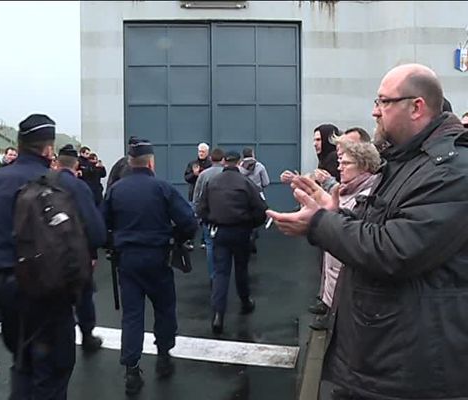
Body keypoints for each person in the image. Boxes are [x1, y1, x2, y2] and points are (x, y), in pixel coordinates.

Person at [268, 63, 468, 399]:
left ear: (416, 107)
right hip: (385, 355)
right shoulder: (406, 162)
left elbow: (394, 251)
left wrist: (319, 223)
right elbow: (374, 228)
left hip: (411, 372)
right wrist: (333, 212)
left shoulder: (451, 171)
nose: (374, 111)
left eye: (383, 102)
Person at [0, 114, 106, 399]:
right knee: (52, 374)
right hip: (52, 292)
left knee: (22, 364)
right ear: (48, 149)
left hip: (8, 290)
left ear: (19, 144)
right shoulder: (66, 185)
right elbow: (98, 234)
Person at [103, 138, 198, 395]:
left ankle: (132, 370)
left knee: (132, 315)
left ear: (130, 162)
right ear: (151, 162)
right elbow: (189, 221)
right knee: (164, 308)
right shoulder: (162, 188)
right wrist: (176, 238)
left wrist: (115, 242)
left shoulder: (116, 190)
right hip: (158, 258)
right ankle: (164, 355)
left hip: (128, 261)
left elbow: (103, 227)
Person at [300, 140, 381, 331]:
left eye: (345, 164)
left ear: (364, 165)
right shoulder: (346, 190)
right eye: (340, 162)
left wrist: (320, 221)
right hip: (336, 280)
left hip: (349, 288)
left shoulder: (367, 197)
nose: (339, 168)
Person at [197, 150, 268, 334]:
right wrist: (251, 224)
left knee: (221, 273)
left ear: (224, 163)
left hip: (220, 231)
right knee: (241, 268)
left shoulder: (212, 182)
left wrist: (210, 221)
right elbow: (261, 209)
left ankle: (218, 315)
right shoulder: (246, 183)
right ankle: (245, 301)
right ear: (238, 164)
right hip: (241, 231)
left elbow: (201, 207)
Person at [56, 144, 106, 351]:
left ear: (57, 162)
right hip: (77, 251)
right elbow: (92, 224)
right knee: (84, 295)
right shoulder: (79, 187)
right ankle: (87, 335)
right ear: (76, 164)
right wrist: (94, 250)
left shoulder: (43, 183)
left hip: (48, 251)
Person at [192, 148, 225, 283]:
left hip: (209, 214)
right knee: (225, 246)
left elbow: (197, 196)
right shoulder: (227, 173)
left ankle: (213, 275)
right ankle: (224, 273)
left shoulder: (204, 175)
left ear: (211, 159)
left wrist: (197, 213)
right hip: (225, 214)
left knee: (210, 245)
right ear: (223, 160)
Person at [184, 142, 212, 250]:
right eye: (199, 151)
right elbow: (186, 177)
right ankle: (190, 240)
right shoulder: (192, 164)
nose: (201, 153)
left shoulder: (210, 165)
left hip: (207, 194)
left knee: (206, 218)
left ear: (207, 152)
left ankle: (205, 240)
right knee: (192, 218)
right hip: (194, 194)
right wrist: (193, 174)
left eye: (203, 151)